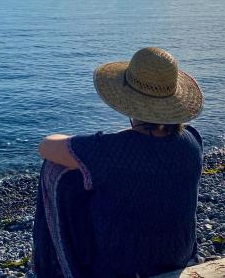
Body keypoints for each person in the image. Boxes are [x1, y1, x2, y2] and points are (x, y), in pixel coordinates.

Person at [32, 47, 204, 278]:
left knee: (56, 168)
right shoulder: (192, 140)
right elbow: (148, 151)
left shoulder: (109, 151)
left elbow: (46, 146)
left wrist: (106, 143)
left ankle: (57, 267)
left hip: (121, 269)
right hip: (179, 256)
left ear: (129, 100)